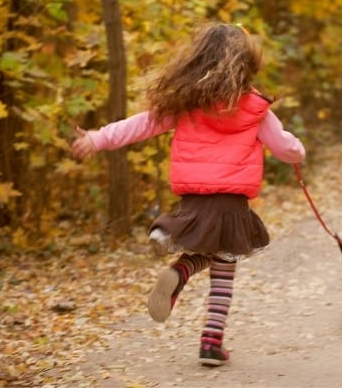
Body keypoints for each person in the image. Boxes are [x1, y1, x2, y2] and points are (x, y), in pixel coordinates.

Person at [71, 21, 305, 367]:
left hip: (194, 199)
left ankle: (177, 262)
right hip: (232, 203)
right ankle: (211, 343)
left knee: (205, 252)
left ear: (196, 61)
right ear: (246, 64)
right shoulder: (256, 110)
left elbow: (140, 125)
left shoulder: (186, 102)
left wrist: (98, 137)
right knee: (224, 265)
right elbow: (285, 147)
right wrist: (298, 153)